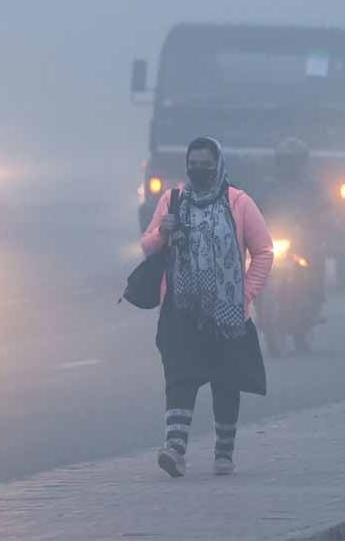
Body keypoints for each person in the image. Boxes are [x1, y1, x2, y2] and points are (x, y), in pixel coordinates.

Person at [141, 137, 274, 478]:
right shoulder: (172, 201)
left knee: (225, 381)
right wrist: (162, 233)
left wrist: (245, 294)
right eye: (193, 163)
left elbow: (263, 252)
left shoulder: (239, 203)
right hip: (180, 310)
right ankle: (175, 448)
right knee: (179, 377)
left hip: (227, 312)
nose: (199, 170)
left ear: (218, 164)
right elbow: (148, 245)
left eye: (205, 164)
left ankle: (224, 451)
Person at [259, 137, 331, 311]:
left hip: (303, 235)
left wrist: (321, 221)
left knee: (315, 256)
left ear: (303, 162)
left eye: (294, 160)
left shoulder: (313, 185)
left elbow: (325, 207)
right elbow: (258, 205)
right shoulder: (270, 185)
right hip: (277, 233)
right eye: (286, 160)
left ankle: (316, 296)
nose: (290, 165)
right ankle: (259, 302)